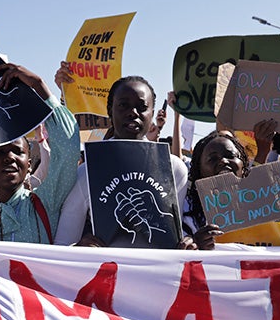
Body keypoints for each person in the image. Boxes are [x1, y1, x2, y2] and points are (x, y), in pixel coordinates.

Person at [54, 74, 192, 246]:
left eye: (142, 107)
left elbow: (173, 240)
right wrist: (80, 248)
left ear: (152, 114)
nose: (133, 113)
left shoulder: (175, 169)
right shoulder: (88, 172)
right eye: (123, 105)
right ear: (109, 110)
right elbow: (63, 243)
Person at [0, 63, 80, 244]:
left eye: (18, 151)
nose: (9, 157)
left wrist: (39, 85)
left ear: (29, 164)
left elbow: (68, 150)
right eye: (0, 152)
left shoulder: (45, 202)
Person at [183, 130, 280, 248]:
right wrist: (195, 244)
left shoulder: (268, 205)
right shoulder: (185, 211)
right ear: (198, 170)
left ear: (243, 165)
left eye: (231, 156)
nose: (224, 161)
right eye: (212, 159)